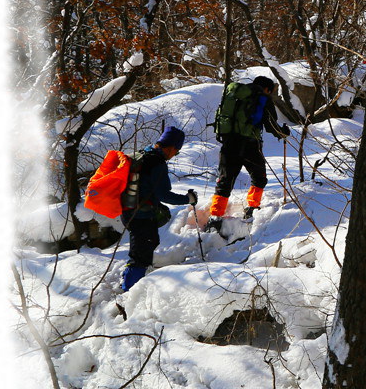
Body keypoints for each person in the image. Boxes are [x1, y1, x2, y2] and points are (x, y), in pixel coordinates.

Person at [208, 75, 290, 230]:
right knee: (259, 178)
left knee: (225, 180)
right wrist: (283, 133)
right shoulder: (263, 99)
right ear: (267, 89)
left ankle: (216, 216)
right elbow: (271, 125)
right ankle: (252, 208)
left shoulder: (236, 95)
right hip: (250, 145)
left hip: (229, 144)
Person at [120, 126, 196, 291]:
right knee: (140, 255)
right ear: (170, 147)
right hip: (140, 215)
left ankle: (131, 279)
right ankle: (129, 290)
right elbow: (164, 195)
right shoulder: (157, 163)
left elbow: (147, 188)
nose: (174, 155)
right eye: (176, 151)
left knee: (148, 244)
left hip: (129, 210)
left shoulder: (143, 154)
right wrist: (188, 199)